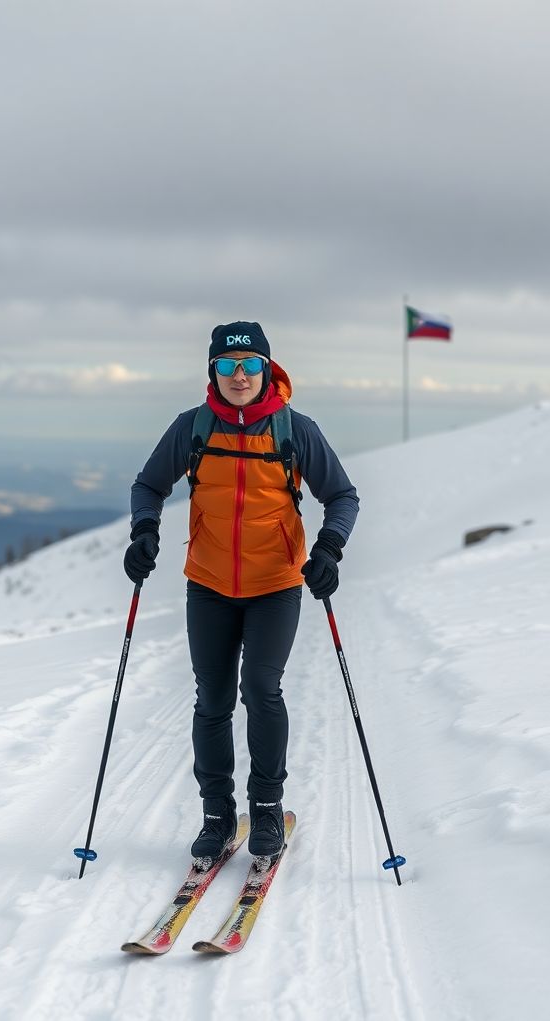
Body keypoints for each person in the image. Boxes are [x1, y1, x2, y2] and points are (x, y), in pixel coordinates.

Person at [124, 321, 359, 863]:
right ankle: (217, 814)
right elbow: (149, 485)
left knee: (260, 688)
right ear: (213, 370)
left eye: (249, 364)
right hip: (207, 583)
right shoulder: (192, 428)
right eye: (228, 365)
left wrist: (328, 550)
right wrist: (144, 530)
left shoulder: (295, 430)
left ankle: (268, 808)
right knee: (212, 700)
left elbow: (342, 497)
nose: (238, 375)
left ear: (266, 369)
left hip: (275, 584)